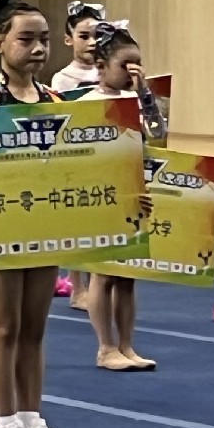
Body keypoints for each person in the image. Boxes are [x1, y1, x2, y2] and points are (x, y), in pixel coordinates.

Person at [0, 0, 72, 428]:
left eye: (44, 40)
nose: (37, 49)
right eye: (26, 39)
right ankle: (5, 424)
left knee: (35, 326)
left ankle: (33, 419)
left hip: (45, 221)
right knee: (6, 324)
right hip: (0, 223)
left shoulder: (57, 102)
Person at [84, 23, 160, 373]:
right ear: (101, 66)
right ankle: (105, 347)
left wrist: (145, 94)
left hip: (133, 198)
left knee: (128, 276)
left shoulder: (138, 102)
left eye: (138, 64)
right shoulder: (87, 104)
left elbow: (158, 135)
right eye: (126, 66)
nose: (134, 72)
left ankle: (127, 345)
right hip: (100, 197)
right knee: (103, 275)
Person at [51, 2, 103, 91]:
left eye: (98, 36)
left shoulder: (112, 74)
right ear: (68, 39)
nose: (93, 42)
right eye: (84, 36)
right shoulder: (62, 79)